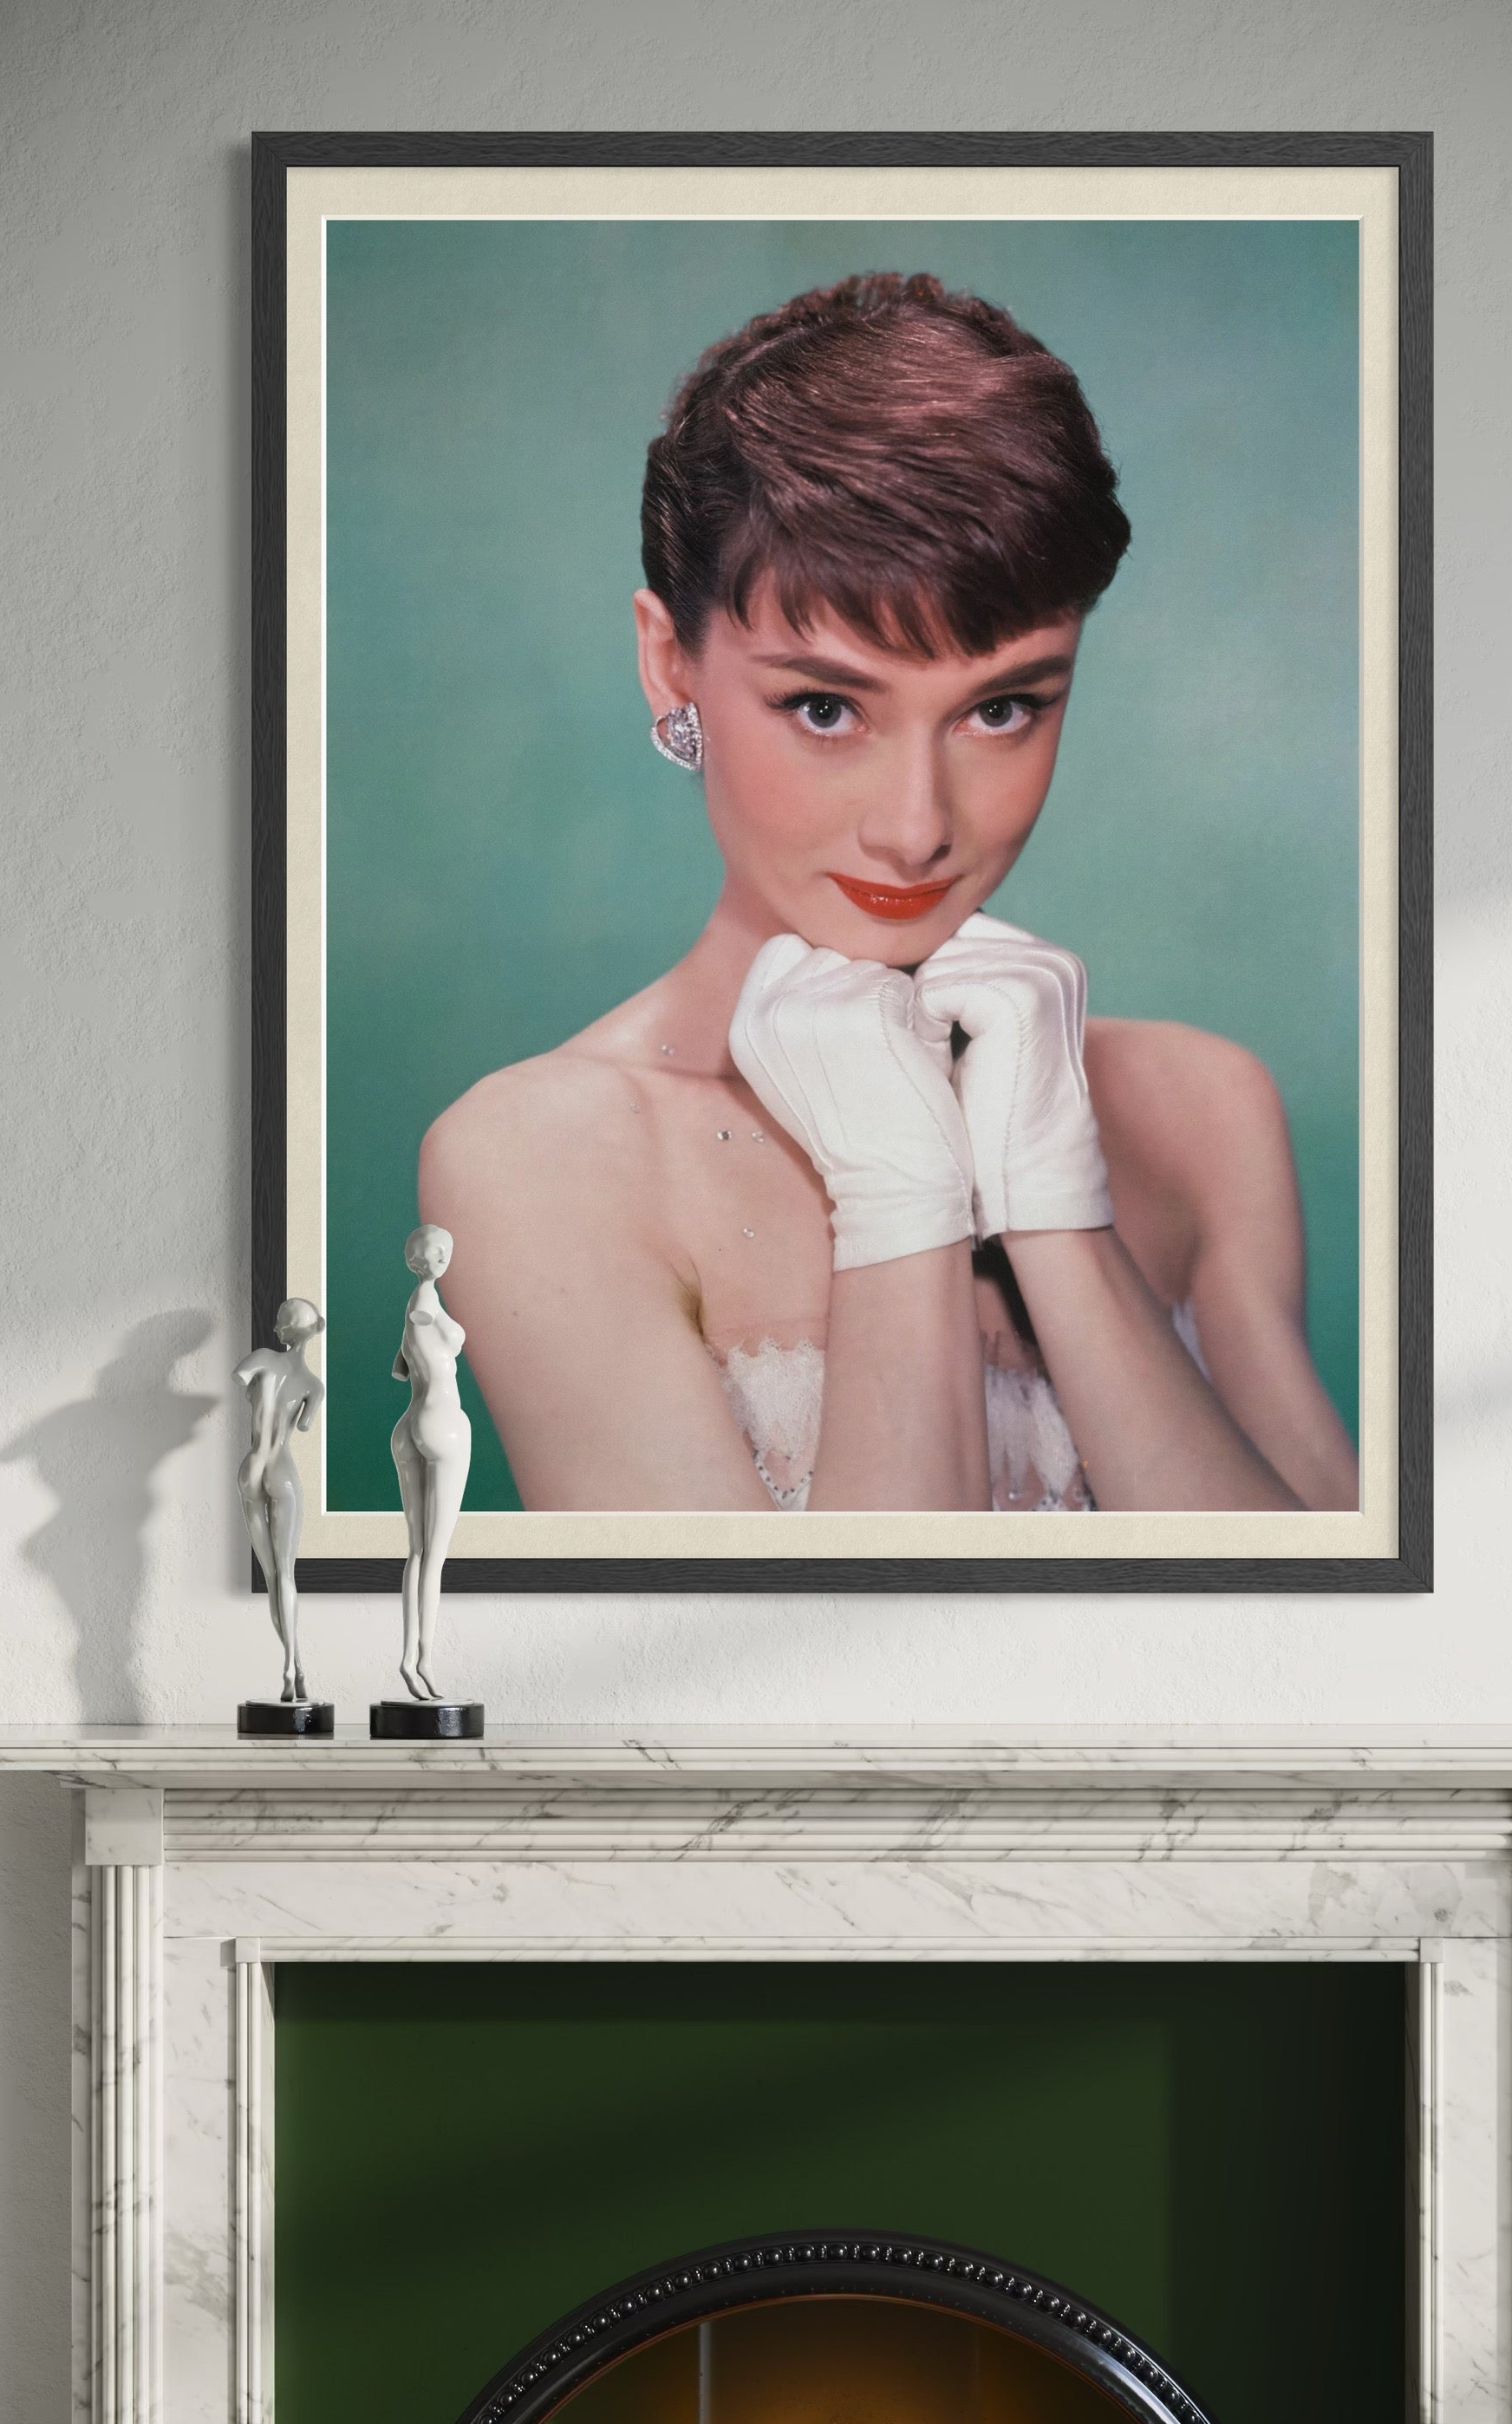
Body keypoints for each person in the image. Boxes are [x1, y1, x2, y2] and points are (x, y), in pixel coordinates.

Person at [422, 273, 1359, 1515]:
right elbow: (799, 1690)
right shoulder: (541, 1157)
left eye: (1001, 708)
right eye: (825, 707)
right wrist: (896, 1190)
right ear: (671, 663)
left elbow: (1330, 1654)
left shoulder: (1201, 1109)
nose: (915, 828)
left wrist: (1054, 1211)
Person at [390, 1226, 472, 1694]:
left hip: (408, 1427)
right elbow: (437, 1345)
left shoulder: (414, 1311)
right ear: (438, 1257)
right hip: (443, 1423)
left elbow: (400, 1368)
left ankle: (410, 1657)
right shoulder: (426, 1307)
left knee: (418, 1549)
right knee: (434, 1552)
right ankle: (424, 1657)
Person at [234, 1298, 324, 1697]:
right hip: (281, 1470)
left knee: (272, 1577)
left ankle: (296, 1666)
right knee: (286, 1575)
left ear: (281, 1329)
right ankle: (291, 1668)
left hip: (251, 1466)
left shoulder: (262, 1359)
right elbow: (304, 1427)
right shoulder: (313, 1385)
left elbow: (241, 1380)